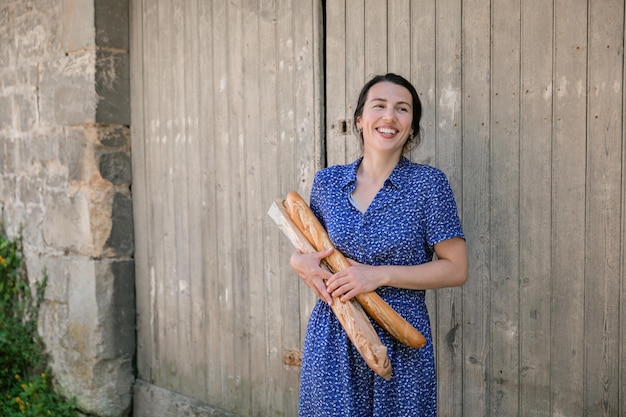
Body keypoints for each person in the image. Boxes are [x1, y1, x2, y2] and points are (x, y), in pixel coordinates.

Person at [289, 73, 468, 416]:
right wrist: (298, 263)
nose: (389, 116)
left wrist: (379, 275)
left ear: (412, 127)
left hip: (401, 336)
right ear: (359, 120)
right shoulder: (327, 183)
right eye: (379, 106)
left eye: (402, 109)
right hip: (334, 334)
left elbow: (456, 268)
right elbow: (306, 251)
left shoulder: (429, 185)